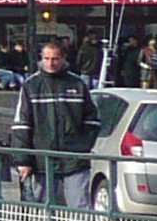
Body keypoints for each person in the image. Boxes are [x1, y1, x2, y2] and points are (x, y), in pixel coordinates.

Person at [16, 38, 100, 207]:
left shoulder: (77, 84)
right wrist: (23, 160)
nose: (50, 63)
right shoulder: (31, 85)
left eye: (55, 59)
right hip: (43, 160)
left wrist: (82, 146)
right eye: (46, 58)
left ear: (63, 59)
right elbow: (21, 125)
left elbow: (93, 120)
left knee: (81, 207)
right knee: (43, 209)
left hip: (74, 159)